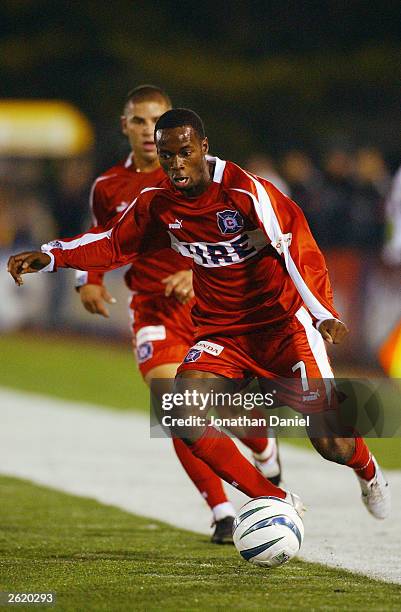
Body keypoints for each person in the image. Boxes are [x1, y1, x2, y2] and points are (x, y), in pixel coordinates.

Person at [8, 108, 391, 522]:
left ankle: (369, 474)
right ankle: (271, 498)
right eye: (166, 155)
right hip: (221, 333)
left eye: (184, 152)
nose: (175, 164)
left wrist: (321, 312)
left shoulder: (244, 191)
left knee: (331, 443)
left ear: (203, 148)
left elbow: (295, 244)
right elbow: (112, 242)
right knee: (179, 408)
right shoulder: (159, 202)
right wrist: (50, 256)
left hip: (284, 328)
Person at [72, 87, 279, 543]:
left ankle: (263, 446)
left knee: (224, 409)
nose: (149, 131)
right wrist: (89, 278)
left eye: (158, 121)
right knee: (175, 407)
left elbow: (256, 233)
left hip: (210, 308)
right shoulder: (108, 186)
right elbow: (103, 237)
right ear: (124, 125)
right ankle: (223, 511)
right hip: (153, 308)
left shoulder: (208, 176)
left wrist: (194, 266)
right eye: (140, 121)